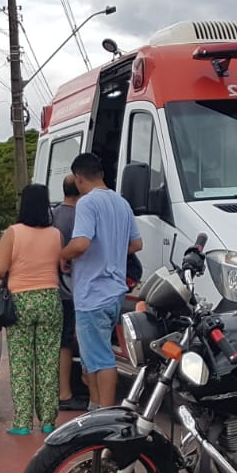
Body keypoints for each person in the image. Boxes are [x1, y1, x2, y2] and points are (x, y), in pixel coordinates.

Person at [60, 152, 142, 409]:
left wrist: (62, 256)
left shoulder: (87, 203)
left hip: (92, 292)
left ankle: (106, 414)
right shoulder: (121, 203)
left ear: (78, 178)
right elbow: (136, 244)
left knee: (100, 357)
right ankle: (95, 407)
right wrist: (111, 251)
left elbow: (81, 243)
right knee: (93, 357)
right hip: (116, 290)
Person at [0, 185, 64, 436]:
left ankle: (23, 422)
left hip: (21, 301)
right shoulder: (56, 234)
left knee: (22, 362)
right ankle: (48, 420)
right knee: (48, 360)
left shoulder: (13, 232)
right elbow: (62, 266)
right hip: (51, 299)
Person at [50, 175, 87, 411]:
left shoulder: (52, 215)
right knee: (74, 339)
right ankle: (67, 392)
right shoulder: (80, 217)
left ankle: (61, 390)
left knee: (61, 340)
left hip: (54, 286)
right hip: (76, 288)